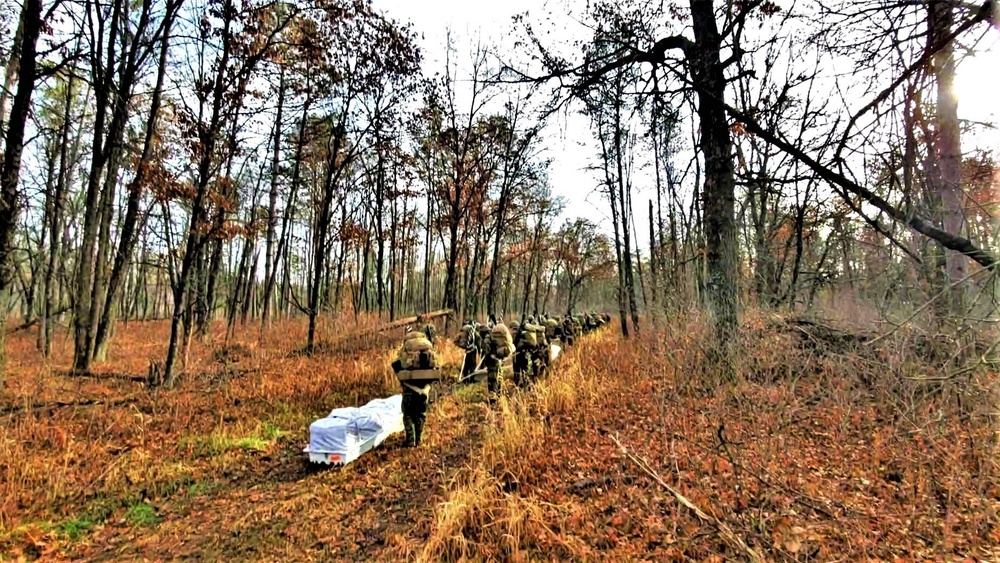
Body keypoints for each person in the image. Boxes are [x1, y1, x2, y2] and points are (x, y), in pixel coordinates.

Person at [392, 323, 440, 447]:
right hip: (425, 388)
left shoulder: (407, 349)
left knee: (408, 414)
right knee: (421, 414)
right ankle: (419, 439)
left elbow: (398, 364)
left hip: (409, 387)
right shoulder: (428, 347)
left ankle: (410, 440)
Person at [484, 316, 514, 402]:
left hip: (492, 360)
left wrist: (489, 355)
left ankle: (493, 398)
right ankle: (498, 395)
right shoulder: (501, 335)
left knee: (492, 379)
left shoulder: (489, 336)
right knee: (499, 377)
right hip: (499, 360)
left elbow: (486, 349)